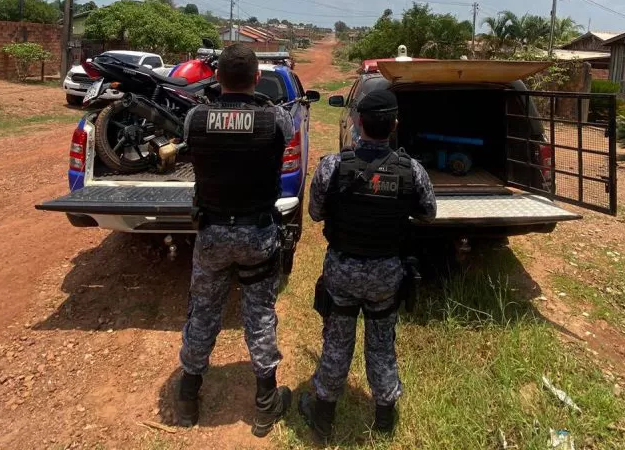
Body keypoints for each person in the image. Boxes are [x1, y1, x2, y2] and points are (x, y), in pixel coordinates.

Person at [298, 90, 436, 442]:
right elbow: (428, 212)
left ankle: (324, 415)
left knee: (336, 342)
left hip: (342, 272)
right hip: (386, 274)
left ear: (358, 122)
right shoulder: (412, 170)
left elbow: (315, 213)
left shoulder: (333, 165)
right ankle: (385, 418)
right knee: (381, 344)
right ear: (394, 126)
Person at [177, 44, 295, 438]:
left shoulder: (195, 118)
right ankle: (265, 405)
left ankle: (188, 398)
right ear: (256, 78)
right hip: (257, 233)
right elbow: (285, 139)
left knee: (203, 311)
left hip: (211, 232)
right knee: (259, 314)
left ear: (218, 77)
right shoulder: (276, 119)